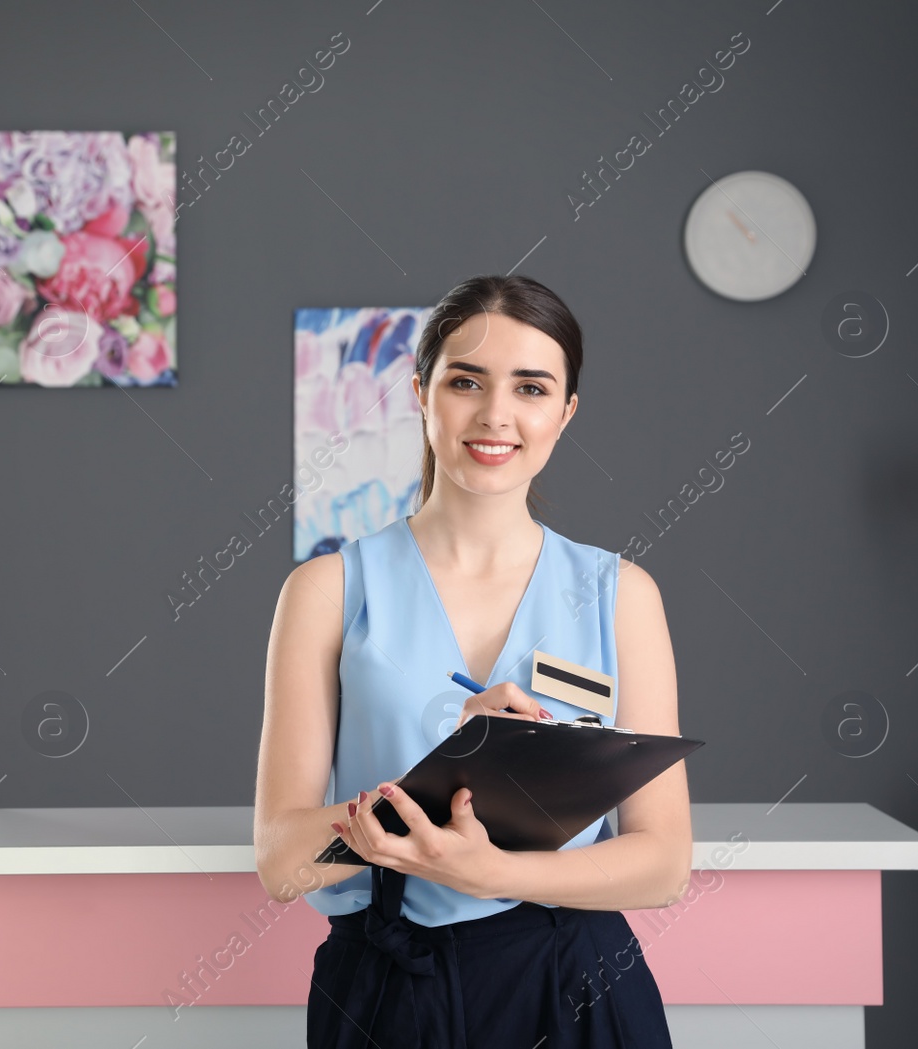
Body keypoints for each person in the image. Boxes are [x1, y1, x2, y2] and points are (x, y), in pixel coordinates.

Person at [254, 274, 691, 1047]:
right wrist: (449, 763)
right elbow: (283, 862)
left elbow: (662, 864)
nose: (496, 415)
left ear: (565, 412)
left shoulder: (622, 594)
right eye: (466, 381)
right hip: (390, 988)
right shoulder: (326, 590)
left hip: (577, 984)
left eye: (531, 387)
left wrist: (496, 874)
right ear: (421, 393)